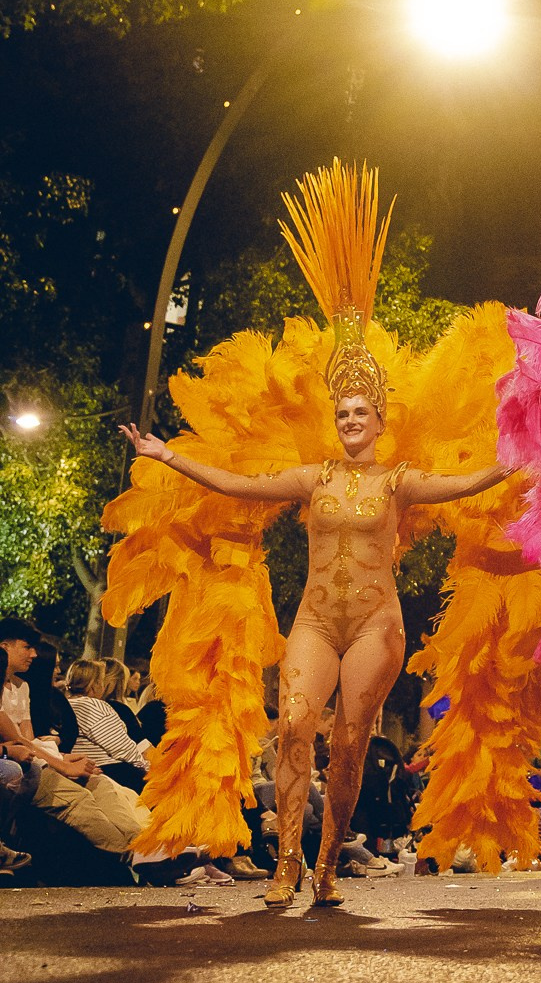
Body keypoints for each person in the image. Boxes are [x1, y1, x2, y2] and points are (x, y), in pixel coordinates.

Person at [122, 161, 504, 912]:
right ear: (336, 418)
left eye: (363, 413)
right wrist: (170, 456)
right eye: (344, 413)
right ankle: (288, 859)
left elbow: (464, 484)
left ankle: (331, 860)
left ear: (381, 420)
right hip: (315, 620)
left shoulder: (399, 481)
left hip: (376, 624)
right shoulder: (311, 477)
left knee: (349, 743)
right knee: (294, 725)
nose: (352, 422)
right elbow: (239, 486)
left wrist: (518, 460)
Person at [0, 620, 145, 872]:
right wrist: (62, 765)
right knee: (78, 799)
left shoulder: (22, 687)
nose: (33, 654)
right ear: (4, 647)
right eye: (27, 647)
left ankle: (148, 846)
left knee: (101, 784)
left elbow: (31, 739)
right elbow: (16, 741)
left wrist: (65, 757)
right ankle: (133, 856)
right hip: (21, 763)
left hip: (36, 758)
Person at [63, 656, 153, 793]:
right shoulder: (93, 706)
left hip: (91, 769)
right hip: (112, 771)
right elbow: (121, 747)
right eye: (100, 681)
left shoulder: (66, 704)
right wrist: (148, 769)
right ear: (94, 685)